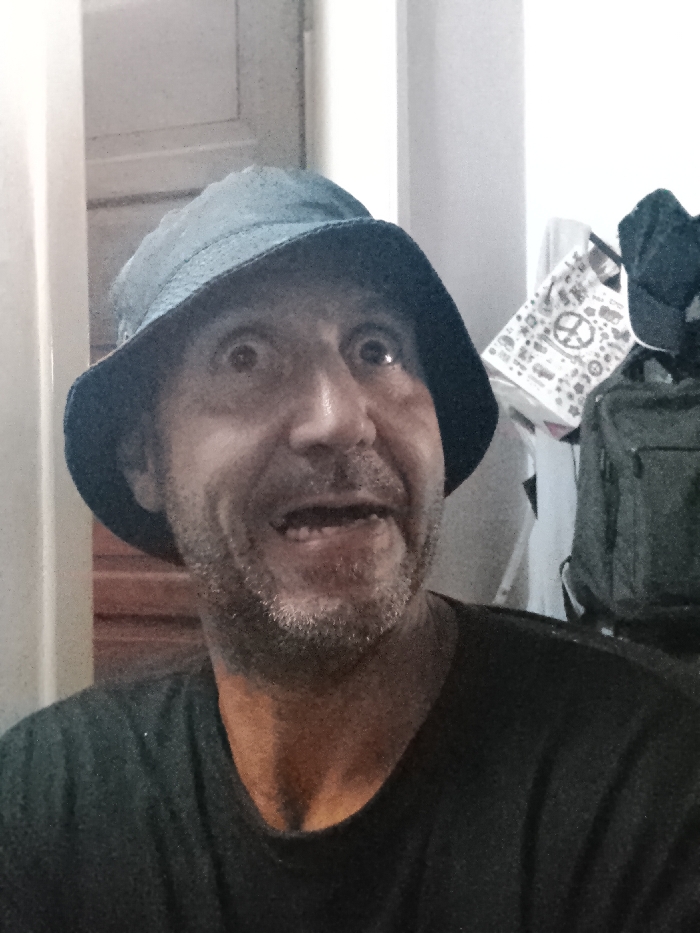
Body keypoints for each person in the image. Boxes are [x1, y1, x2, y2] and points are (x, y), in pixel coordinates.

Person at [2, 166, 700, 933]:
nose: (340, 419)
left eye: (377, 348)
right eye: (245, 355)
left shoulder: (657, 778)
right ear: (144, 459)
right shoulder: (44, 800)